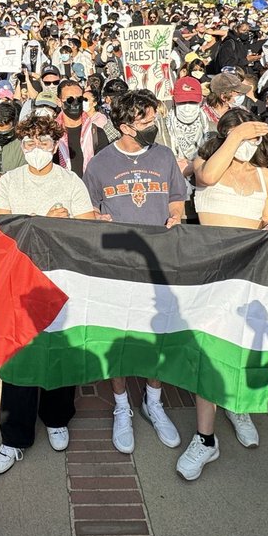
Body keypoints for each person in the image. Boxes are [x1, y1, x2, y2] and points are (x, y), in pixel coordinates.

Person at [0, 115, 96, 475]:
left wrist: (65, 222)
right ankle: (14, 436)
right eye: (30, 143)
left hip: (63, 279)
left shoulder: (71, 182)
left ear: (56, 144)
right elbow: (2, 232)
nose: (37, 150)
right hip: (20, 280)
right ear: (22, 145)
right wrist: (42, 220)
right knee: (20, 355)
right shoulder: (8, 182)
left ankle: (56, 416)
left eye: (45, 142)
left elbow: (85, 229)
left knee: (59, 350)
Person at [83, 89, 186, 454]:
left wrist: (176, 214)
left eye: (153, 118)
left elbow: (177, 197)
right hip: (117, 265)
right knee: (119, 337)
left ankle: (154, 402)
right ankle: (122, 405)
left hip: (159, 262)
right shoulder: (98, 164)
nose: (153, 125)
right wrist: (96, 217)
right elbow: (88, 210)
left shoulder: (164, 156)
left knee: (158, 334)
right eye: (145, 121)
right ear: (125, 125)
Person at [184, 109, 268, 479]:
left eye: (252, 137)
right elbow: (206, 176)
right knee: (207, 350)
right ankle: (205, 438)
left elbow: (266, 222)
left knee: (241, 344)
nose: (245, 144)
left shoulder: (266, 177)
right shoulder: (205, 163)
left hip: (249, 273)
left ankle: (236, 405)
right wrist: (235, 135)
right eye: (239, 136)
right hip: (209, 272)